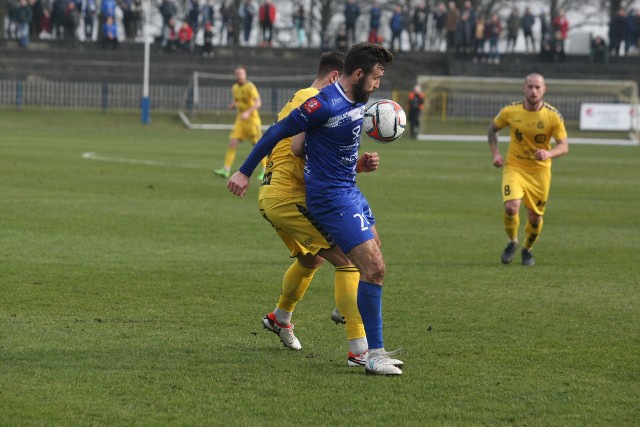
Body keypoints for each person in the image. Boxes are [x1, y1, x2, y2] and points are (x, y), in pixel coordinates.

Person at [227, 43, 404, 376]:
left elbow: (305, 146)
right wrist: (244, 170)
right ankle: (367, 351)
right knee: (366, 267)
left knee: (356, 256)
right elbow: (282, 133)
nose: (379, 85)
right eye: (377, 77)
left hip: (347, 190)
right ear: (357, 74)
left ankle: (305, 314)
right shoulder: (322, 102)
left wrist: (358, 166)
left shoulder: (356, 102)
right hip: (324, 198)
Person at [487, 73, 569, 267]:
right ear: (524, 89)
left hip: (539, 172)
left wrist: (549, 154)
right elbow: (492, 130)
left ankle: (527, 249)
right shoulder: (510, 111)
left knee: (535, 217)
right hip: (514, 167)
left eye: (537, 87)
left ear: (544, 89)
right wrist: (496, 154)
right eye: (530, 87)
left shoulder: (552, 116)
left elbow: (564, 146)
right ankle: (512, 242)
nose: (533, 91)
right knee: (511, 206)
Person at [214, 66, 266, 180]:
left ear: (245, 75)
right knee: (232, 143)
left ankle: (265, 170)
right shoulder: (234, 88)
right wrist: (234, 104)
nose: (239, 76)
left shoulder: (250, 87)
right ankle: (226, 169)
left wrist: (247, 112)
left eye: (241, 73)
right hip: (240, 120)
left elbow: (258, 103)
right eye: (237, 74)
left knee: (258, 146)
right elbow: (239, 100)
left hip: (252, 120)